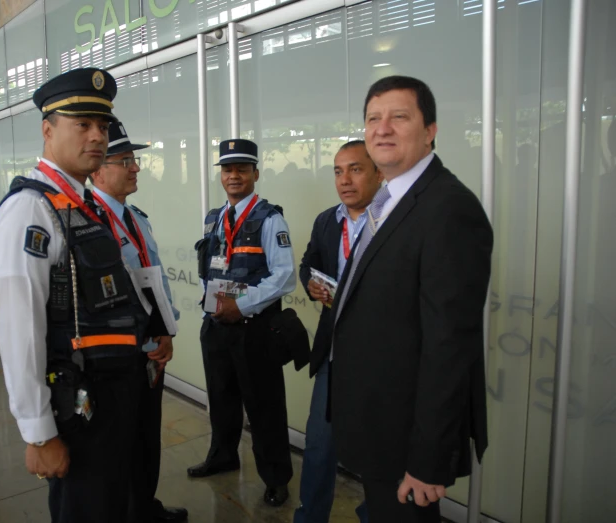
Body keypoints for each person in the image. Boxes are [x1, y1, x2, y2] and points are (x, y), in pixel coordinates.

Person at [0, 67, 151, 522]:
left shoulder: (82, 204)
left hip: (108, 402)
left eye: (102, 126)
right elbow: (20, 331)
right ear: (47, 129)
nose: (97, 136)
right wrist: (39, 433)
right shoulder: (31, 211)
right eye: (82, 125)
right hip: (75, 406)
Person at [330, 76, 493, 523]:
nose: (382, 128)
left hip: (407, 444)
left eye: (399, 117)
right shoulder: (390, 200)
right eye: (373, 118)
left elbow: (450, 347)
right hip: (379, 426)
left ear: (430, 130)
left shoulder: (448, 209)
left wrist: (428, 460)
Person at [188, 139, 296, 507]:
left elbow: (284, 276)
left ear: (255, 174)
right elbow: (208, 266)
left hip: (254, 330)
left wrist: (242, 305)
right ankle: (223, 455)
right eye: (227, 169)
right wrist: (212, 303)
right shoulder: (214, 217)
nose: (233, 176)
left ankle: (276, 478)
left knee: (264, 406)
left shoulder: (269, 218)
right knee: (221, 398)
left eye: (241, 169)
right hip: (216, 326)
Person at [90, 122, 187, 523]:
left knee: (147, 437)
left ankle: (145, 507)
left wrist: (164, 330)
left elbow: (154, 278)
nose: (136, 168)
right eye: (125, 160)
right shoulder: (88, 222)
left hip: (150, 350)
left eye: (135, 159)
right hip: (116, 358)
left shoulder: (135, 216)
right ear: (97, 168)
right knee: (118, 444)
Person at [295, 140, 382, 523]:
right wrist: (310, 285)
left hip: (379, 360)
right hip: (333, 355)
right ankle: (311, 518)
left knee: (379, 454)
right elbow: (309, 262)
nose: (344, 180)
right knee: (319, 447)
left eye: (356, 169)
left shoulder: (393, 222)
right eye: (337, 170)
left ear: (379, 173)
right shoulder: (327, 221)